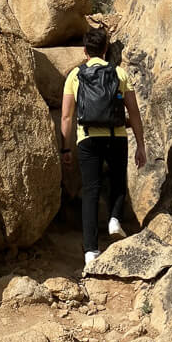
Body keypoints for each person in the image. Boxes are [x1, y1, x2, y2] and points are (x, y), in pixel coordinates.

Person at [61, 26, 146, 267]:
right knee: (118, 180)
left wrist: (65, 149)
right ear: (106, 49)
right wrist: (141, 145)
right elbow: (134, 113)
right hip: (116, 134)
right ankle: (115, 219)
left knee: (91, 190)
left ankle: (90, 252)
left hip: (87, 138)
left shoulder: (74, 76)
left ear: (85, 50)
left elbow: (67, 117)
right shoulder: (119, 74)